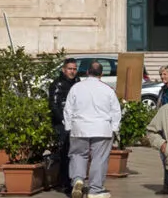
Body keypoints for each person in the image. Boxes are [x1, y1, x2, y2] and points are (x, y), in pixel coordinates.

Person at [65, 60, 123, 198]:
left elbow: (68, 109)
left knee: (78, 155)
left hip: (79, 127)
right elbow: (116, 111)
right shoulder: (108, 90)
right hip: (102, 129)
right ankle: (95, 189)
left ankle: (78, 179)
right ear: (101, 74)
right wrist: (115, 129)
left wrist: (69, 126)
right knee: (99, 158)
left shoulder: (76, 87)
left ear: (87, 72)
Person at [47, 58, 82, 192]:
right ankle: (64, 182)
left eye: (74, 69)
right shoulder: (57, 84)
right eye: (70, 69)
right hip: (62, 123)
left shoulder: (78, 82)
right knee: (64, 152)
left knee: (75, 152)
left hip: (76, 122)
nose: (72, 71)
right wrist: (63, 120)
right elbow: (54, 105)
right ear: (63, 70)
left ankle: (72, 179)